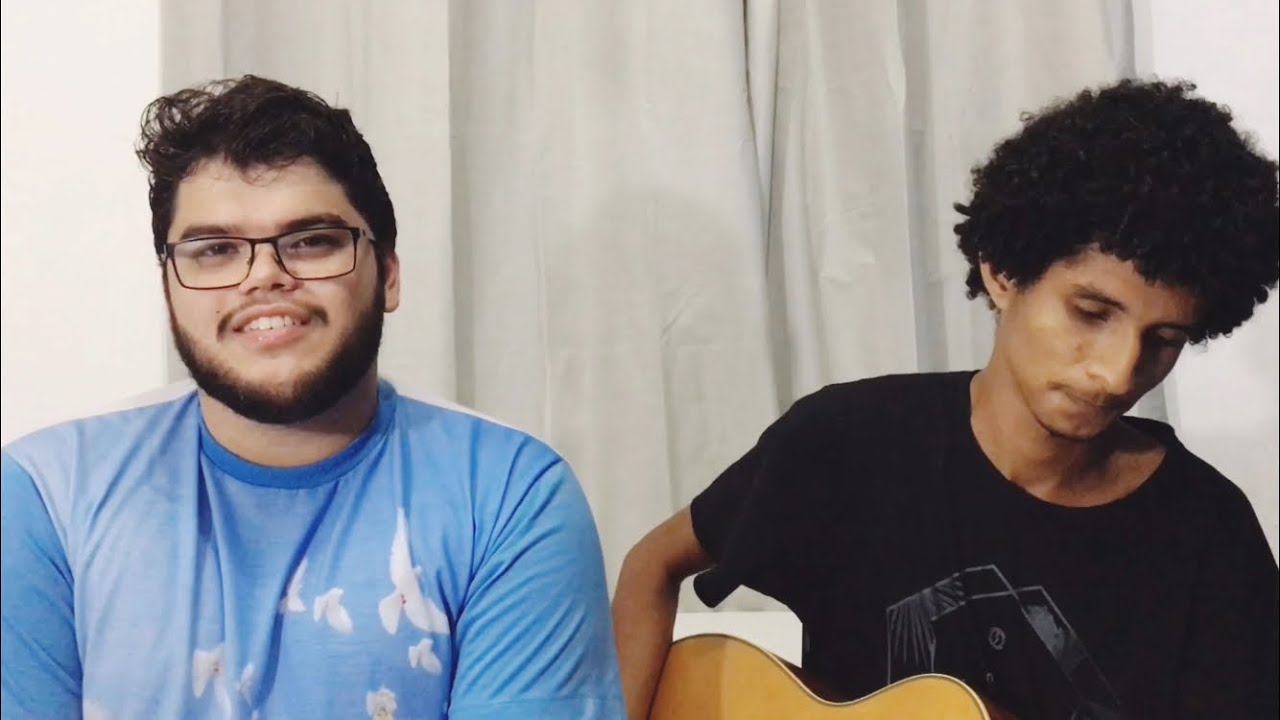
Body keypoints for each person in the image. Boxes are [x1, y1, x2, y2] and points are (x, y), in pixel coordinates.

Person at [613, 78, 1279, 720]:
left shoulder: (1209, 536)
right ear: (1003, 271)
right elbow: (653, 565)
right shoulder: (845, 445)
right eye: (1090, 312)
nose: (1117, 373)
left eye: (1163, 340)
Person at [1, 75, 623, 719]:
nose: (264, 276)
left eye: (312, 241)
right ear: (168, 290)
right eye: (215, 250)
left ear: (388, 275)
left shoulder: (509, 496)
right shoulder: (47, 497)